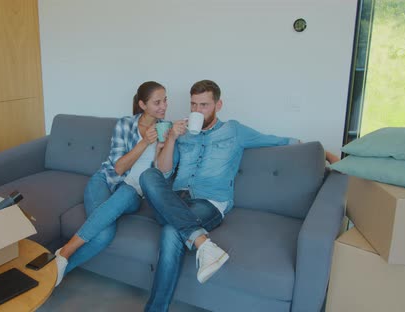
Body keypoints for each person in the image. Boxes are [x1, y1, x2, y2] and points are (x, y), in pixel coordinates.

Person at [139, 80, 339, 311]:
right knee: (148, 175)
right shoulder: (182, 133)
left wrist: (326, 153)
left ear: (218, 104)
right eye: (193, 105)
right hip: (175, 199)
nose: (197, 111)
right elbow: (163, 172)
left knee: (172, 230)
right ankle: (203, 243)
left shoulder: (234, 131)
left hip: (209, 202)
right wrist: (172, 138)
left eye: (204, 105)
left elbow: (279, 140)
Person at [54, 81, 169, 286]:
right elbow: (117, 168)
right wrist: (144, 143)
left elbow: (160, 175)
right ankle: (55, 272)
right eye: (157, 102)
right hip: (104, 181)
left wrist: (162, 147)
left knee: (126, 193)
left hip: (132, 192)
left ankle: (64, 252)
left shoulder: (165, 130)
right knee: (103, 235)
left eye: (165, 100)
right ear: (142, 105)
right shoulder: (125, 124)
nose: (164, 106)